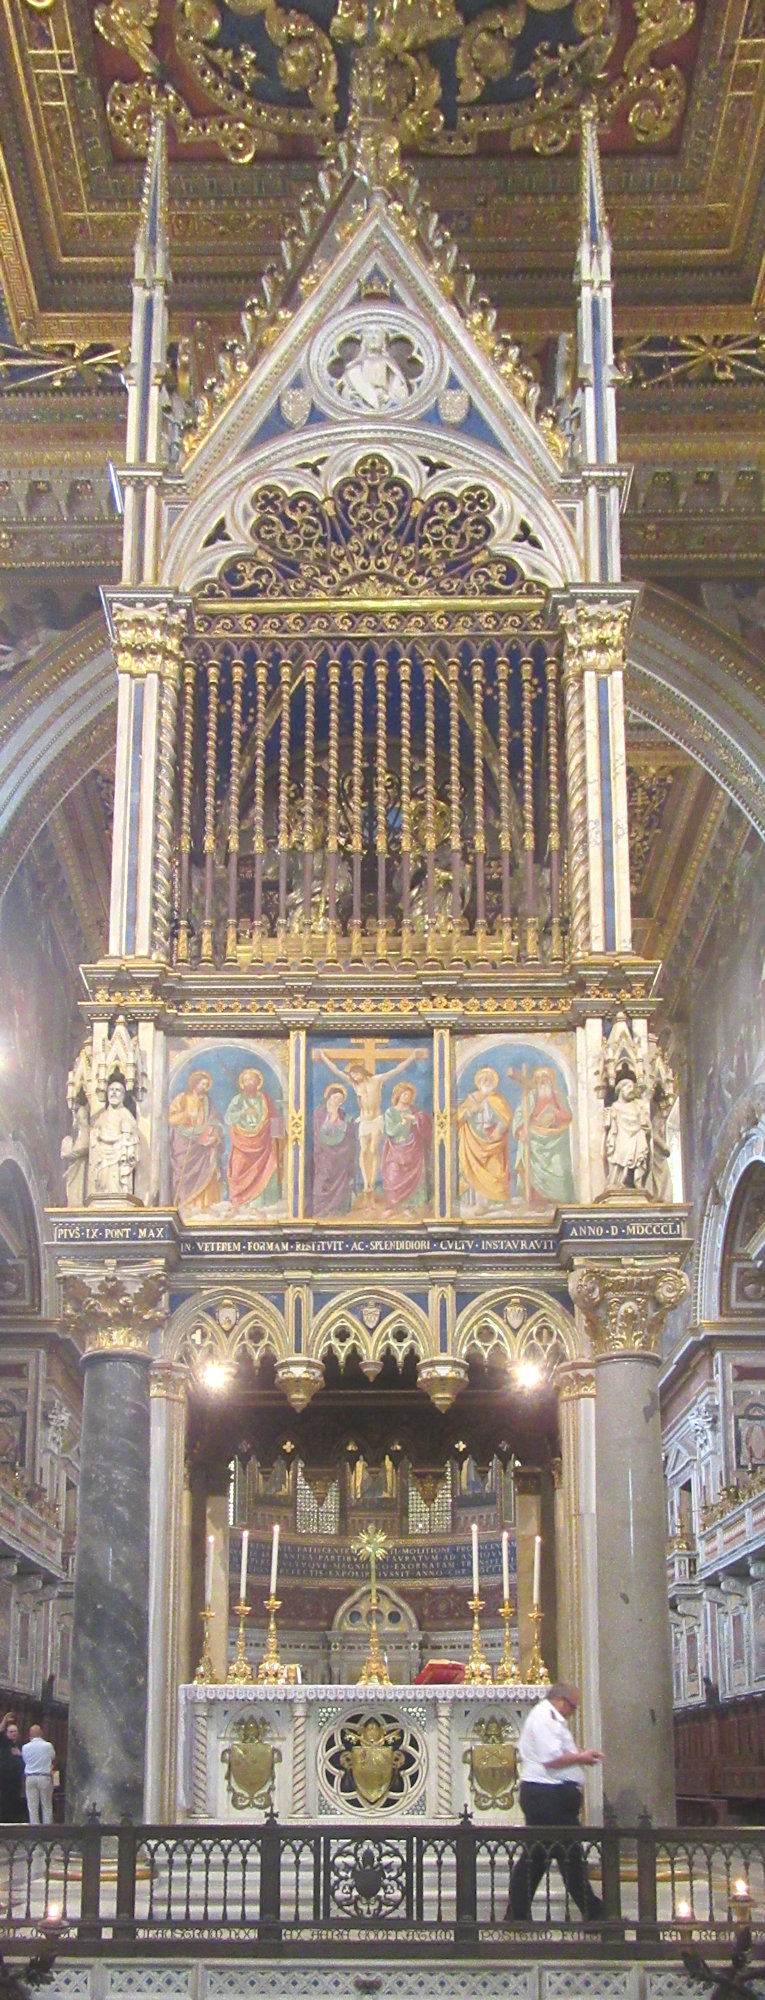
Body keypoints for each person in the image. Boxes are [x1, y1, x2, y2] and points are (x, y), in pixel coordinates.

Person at [506, 1683, 604, 1925]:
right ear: (560, 1700)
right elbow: (552, 1759)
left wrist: (579, 1756)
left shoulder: (550, 1718)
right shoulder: (544, 1718)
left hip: (550, 1796)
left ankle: (516, 1915)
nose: (573, 1712)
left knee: (536, 1857)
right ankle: (595, 1913)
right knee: (569, 1856)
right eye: (572, 1706)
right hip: (548, 1797)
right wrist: (582, 1757)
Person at [224, 1067, 282, 1210]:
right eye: (246, 1080)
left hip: (263, 1144)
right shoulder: (238, 1100)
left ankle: (258, 1205)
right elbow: (228, 1118)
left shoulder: (265, 1099)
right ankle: (239, 1203)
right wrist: (244, 1112)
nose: (249, 1082)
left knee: (263, 1171)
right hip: (241, 1143)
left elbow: (275, 1117)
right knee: (237, 1170)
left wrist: (279, 1140)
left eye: (252, 1079)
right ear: (242, 1083)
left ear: (258, 1082)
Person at [168, 1069, 225, 1213]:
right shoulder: (182, 1098)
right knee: (184, 1172)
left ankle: (206, 1203)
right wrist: (186, 1116)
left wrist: (214, 1133)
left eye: (207, 1085)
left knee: (209, 1169)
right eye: (202, 1084)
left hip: (204, 1145)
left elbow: (216, 1121)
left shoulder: (207, 1102)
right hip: (184, 1142)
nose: (205, 1088)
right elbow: (171, 1118)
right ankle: (187, 1204)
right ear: (194, 1084)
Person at [456, 1066, 513, 1209]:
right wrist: (470, 1111)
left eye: (490, 1080)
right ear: (479, 1082)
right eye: (484, 1080)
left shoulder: (497, 1099)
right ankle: (482, 1205)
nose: (487, 1082)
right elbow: (457, 1118)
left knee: (497, 1169)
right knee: (477, 1172)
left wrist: (499, 1129)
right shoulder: (473, 1098)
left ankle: (500, 1202)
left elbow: (507, 1117)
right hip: (475, 1140)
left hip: (494, 1139)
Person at [381, 1081, 431, 1212]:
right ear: (398, 1095)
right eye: (404, 1094)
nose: (407, 1097)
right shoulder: (390, 1112)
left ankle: (409, 1207)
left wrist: (414, 1119)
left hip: (413, 1149)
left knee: (414, 1177)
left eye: (409, 1095)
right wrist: (403, 1123)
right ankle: (392, 1206)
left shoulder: (414, 1111)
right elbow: (390, 1131)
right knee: (393, 1175)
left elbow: (425, 1123)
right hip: (395, 1150)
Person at [311, 1084, 358, 1216]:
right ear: (328, 1097)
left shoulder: (343, 1114)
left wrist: (346, 1124)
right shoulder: (320, 1112)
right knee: (323, 1179)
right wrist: (331, 1121)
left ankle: (338, 1209)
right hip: (323, 1153)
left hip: (341, 1154)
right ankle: (320, 1209)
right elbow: (318, 1131)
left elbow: (348, 1133)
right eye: (335, 1097)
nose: (337, 1100)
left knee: (342, 1180)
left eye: (340, 1099)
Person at [21, 1724, 56, 1825]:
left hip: (30, 1777)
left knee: (32, 1806)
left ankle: (34, 1830)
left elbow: (25, 1760)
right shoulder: (47, 1746)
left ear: (30, 1735)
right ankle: (47, 1830)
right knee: (46, 1805)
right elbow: (52, 1757)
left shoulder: (25, 1747)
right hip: (44, 1776)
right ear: (41, 1733)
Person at [0, 1714, 25, 1823]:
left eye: (15, 1731)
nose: (14, 1733)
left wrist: (20, 1755)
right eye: (11, 1732)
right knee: (5, 1798)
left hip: (16, 1777)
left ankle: (14, 1820)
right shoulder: (4, 1743)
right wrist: (5, 1721)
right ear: (7, 1733)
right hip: (5, 1776)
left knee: (15, 1798)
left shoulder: (20, 1745)